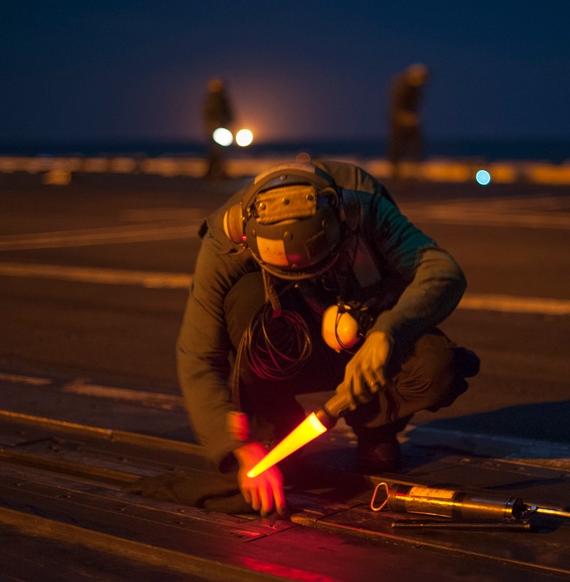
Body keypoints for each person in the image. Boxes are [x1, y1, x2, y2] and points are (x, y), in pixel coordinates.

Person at [175, 158, 479, 517]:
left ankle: (375, 427)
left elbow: (443, 272)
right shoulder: (227, 238)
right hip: (288, 337)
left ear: (341, 219)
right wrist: (239, 447)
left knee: (435, 367)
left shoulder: (364, 203)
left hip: (364, 323)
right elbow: (198, 355)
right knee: (245, 302)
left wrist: (387, 331)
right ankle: (272, 424)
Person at [388, 63, 429, 179]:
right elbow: (396, 104)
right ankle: (396, 173)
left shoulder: (417, 88)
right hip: (397, 121)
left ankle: (413, 170)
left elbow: (415, 105)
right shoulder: (401, 84)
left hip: (411, 119)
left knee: (415, 145)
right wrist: (405, 117)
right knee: (397, 145)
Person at [202, 78, 234, 178]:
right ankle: (211, 172)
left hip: (222, 129)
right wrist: (212, 125)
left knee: (220, 152)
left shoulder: (222, 100)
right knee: (215, 151)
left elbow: (230, 114)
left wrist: (229, 123)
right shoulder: (210, 100)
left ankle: (218, 172)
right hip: (215, 130)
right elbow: (207, 115)